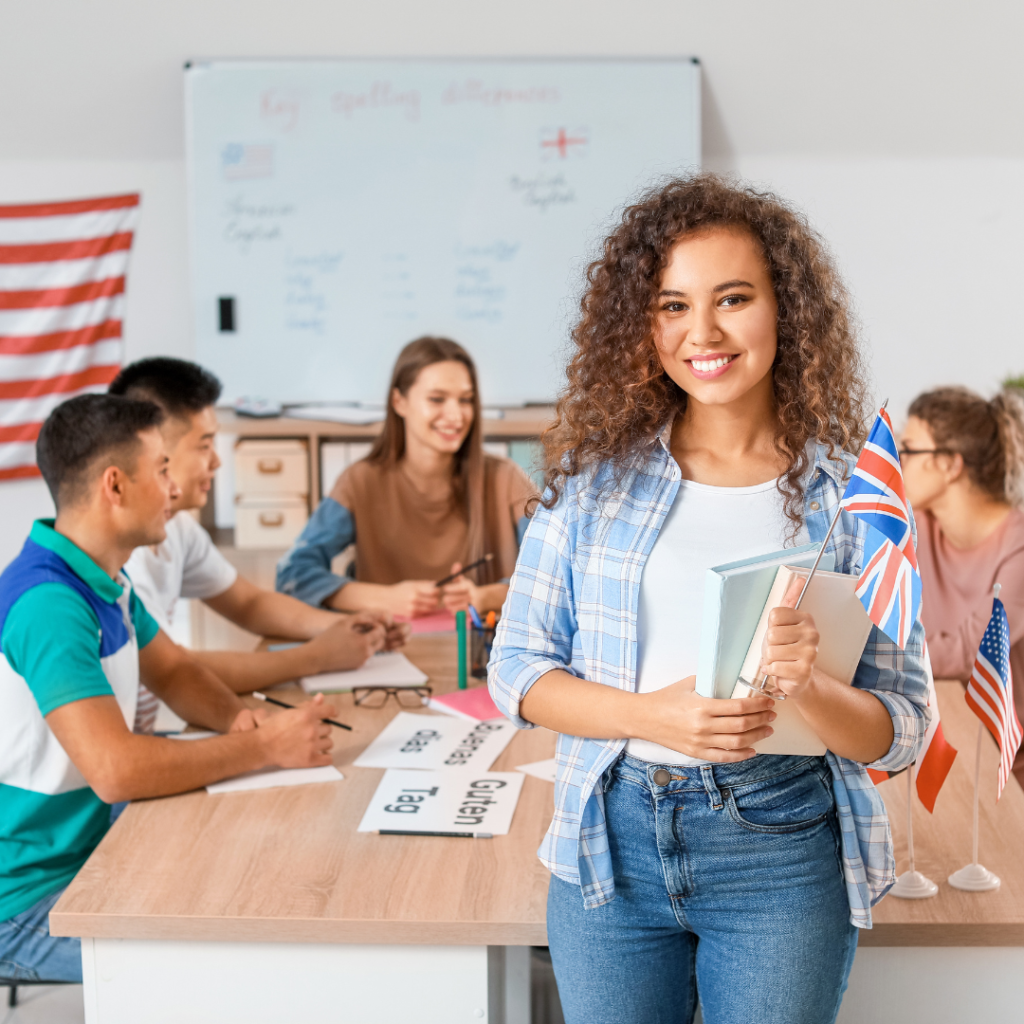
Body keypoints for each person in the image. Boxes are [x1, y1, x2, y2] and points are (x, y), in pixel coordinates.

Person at [488, 175, 929, 1024]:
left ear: (784, 310)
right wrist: (647, 717)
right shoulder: (593, 487)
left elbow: (903, 724)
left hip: (782, 848)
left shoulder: (854, 496)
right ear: (641, 324)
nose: (703, 334)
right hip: (611, 843)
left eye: (733, 299)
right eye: (671, 306)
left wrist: (811, 687)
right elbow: (517, 669)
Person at [0, 395, 338, 983]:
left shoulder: (105, 576)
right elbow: (116, 770)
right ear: (115, 485)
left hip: (92, 845)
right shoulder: (48, 604)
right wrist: (263, 749)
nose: (175, 489)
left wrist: (241, 723)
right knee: (221, 963)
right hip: (30, 896)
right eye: (161, 470)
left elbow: (176, 672)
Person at [108, 358, 407, 732]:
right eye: (204, 445)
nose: (217, 460)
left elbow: (249, 603)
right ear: (155, 450)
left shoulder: (178, 529)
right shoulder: (121, 561)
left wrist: (346, 628)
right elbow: (175, 667)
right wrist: (314, 657)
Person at [276, 336, 537, 618]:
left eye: (466, 400)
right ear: (399, 402)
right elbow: (292, 575)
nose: (456, 415)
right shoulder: (359, 482)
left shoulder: (506, 479)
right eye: (437, 399)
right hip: (384, 650)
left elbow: (559, 571)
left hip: (480, 652)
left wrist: (486, 595)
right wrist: (381, 598)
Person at [900, 386, 1024, 781]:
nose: (897, 460)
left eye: (909, 449)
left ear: (951, 465)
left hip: (1010, 769)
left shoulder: (1018, 548)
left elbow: (971, 650)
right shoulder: (915, 531)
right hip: (949, 752)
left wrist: (881, 656)